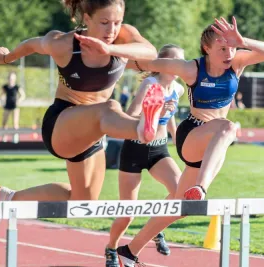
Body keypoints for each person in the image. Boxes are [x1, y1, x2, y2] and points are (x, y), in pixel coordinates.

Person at [115, 16, 264, 266]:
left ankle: (130, 250)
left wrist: (243, 41)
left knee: (178, 206)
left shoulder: (236, 64)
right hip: (193, 134)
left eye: (232, 47)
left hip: (213, 144)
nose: (229, 53)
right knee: (228, 127)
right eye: (222, 48)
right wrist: (109, 55)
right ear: (207, 49)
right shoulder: (192, 68)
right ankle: (200, 189)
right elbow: (149, 62)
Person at [0, 0, 165, 204]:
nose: (112, 30)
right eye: (104, 22)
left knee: (83, 200)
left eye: (117, 22)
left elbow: (151, 52)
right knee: (110, 108)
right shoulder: (65, 44)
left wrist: (109, 50)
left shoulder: (122, 37)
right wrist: (6, 58)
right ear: (87, 19)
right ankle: (141, 128)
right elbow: (32, 45)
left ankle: (10, 197)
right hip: (62, 124)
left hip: (93, 133)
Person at [105, 44, 185, 267]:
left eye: (182, 62)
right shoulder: (150, 84)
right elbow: (130, 115)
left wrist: (176, 136)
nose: (180, 66)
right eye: (176, 61)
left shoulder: (177, 89)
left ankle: (155, 228)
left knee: (180, 192)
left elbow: (170, 116)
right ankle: (111, 248)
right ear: (162, 64)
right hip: (135, 148)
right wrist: (157, 108)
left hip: (159, 149)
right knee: (127, 212)